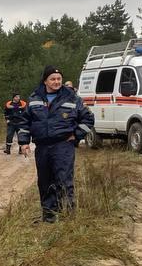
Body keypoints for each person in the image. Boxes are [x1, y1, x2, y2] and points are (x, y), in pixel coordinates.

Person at [17, 65, 95, 222]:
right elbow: (24, 122)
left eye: (59, 79)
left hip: (63, 146)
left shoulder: (72, 98)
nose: (56, 82)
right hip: (42, 147)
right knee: (45, 182)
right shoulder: (34, 98)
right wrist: (24, 142)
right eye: (52, 79)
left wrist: (76, 135)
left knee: (64, 181)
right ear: (45, 81)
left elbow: (88, 119)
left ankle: (67, 216)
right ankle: (49, 217)